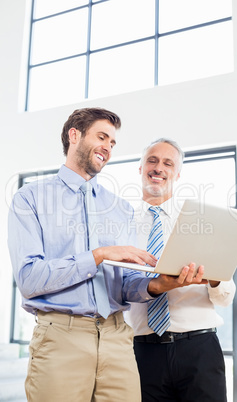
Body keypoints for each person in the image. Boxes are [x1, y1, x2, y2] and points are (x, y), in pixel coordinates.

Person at [8, 109, 206, 402]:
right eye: (102, 137)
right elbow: (29, 278)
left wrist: (158, 285)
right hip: (61, 337)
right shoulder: (31, 198)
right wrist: (98, 255)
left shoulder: (120, 208)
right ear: (74, 135)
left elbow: (126, 284)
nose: (108, 147)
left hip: (117, 339)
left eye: (112, 143)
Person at [125, 138, 236, 402]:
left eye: (167, 163)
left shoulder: (200, 223)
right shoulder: (123, 224)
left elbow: (226, 297)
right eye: (152, 160)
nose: (158, 168)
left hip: (199, 350)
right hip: (142, 352)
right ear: (140, 168)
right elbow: (116, 289)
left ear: (177, 173)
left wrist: (214, 280)